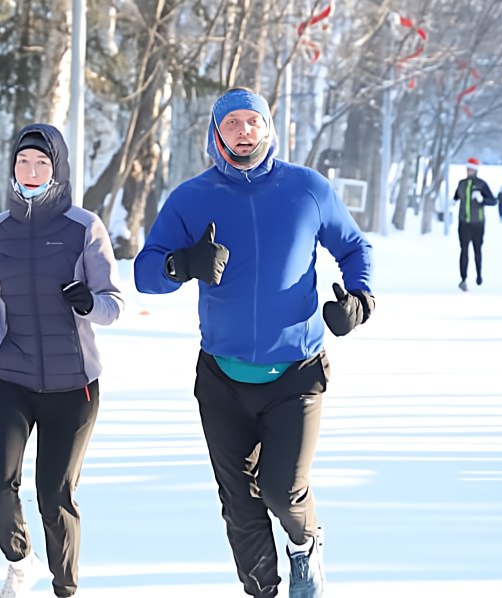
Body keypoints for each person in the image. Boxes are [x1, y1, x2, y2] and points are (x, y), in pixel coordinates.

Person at [133, 88, 375, 598]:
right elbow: (145, 272)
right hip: (222, 378)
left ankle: (305, 549)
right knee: (239, 502)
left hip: (297, 372)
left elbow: (354, 247)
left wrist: (359, 300)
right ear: (216, 133)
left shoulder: (307, 189)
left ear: (269, 129)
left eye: (254, 121)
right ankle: (262, 588)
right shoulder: (191, 199)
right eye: (233, 123)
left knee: (282, 492)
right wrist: (181, 265)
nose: (245, 130)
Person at [0, 123, 124, 598]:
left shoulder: (83, 228)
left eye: (41, 163)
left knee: (55, 497)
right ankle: (20, 560)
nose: (30, 172)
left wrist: (87, 303)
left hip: (72, 386)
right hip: (8, 376)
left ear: (57, 169)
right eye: (22, 162)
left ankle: (65, 588)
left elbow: (113, 302)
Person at [452, 157, 497, 291]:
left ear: (476, 170)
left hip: (478, 223)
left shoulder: (482, 184)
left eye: (471, 169)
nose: (469, 171)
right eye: (467, 169)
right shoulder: (461, 184)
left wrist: (482, 200)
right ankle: (463, 278)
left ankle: (479, 275)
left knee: (477, 250)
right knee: (464, 250)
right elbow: (455, 197)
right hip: (464, 223)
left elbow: (493, 201)